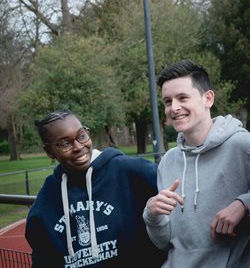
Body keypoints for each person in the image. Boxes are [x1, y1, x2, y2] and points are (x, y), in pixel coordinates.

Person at [143, 59, 250, 268]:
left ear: (208, 98)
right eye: (167, 101)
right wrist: (152, 216)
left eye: (182, 97)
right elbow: (164, 243)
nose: (174, 108)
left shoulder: (242, 145)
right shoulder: (167, 162)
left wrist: (243, 204)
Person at [25, 109, 165, 267]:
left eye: (81, 135)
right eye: (65, 143)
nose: (78, 146)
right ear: (49, 151)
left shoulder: (131, 171)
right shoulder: (45, 204)